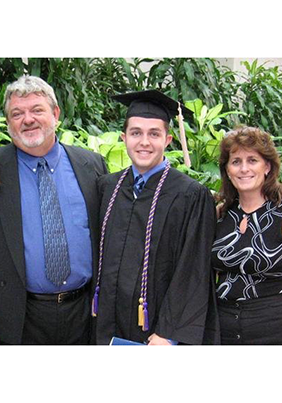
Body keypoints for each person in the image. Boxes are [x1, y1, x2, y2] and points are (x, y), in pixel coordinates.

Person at [0, 75, 108, 345]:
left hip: (84, 312)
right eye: (17, 113)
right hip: (21, 315)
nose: (27, 119)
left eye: (37, 110)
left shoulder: (92, 166)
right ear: (8, 122)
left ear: (55, 113)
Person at [92, 90, 220, 345]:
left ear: (168, 139)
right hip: (106, 324)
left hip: (158, 333)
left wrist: (169, 333)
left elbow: (193, 270)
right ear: (123, 137)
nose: (144, 142)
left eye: (154, 134)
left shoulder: (191, 195)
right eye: (136, 133)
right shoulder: (107, 187)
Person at [212, 126, 282, 345]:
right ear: (227, 170)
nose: (244, 169)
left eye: (252, 160)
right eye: (236, 162)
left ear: (267, 166)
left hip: (271, 329)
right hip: (222, 330)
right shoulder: (219, 215)